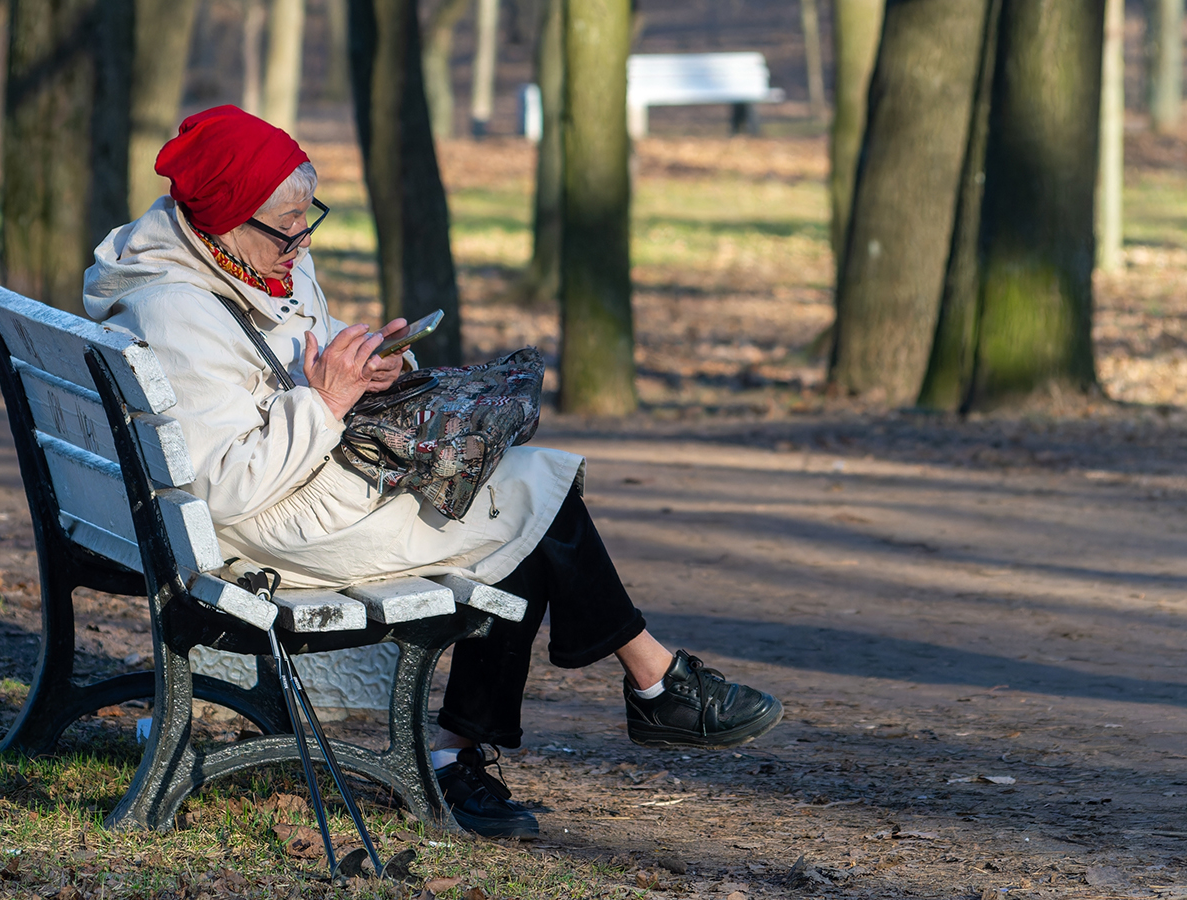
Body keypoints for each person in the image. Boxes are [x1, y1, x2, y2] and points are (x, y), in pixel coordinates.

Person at [83, 106, 782, 839]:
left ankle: (623, 692)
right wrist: (326, 400)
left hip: (293, 487)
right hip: (255, 539)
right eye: (287, 224)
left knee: (514, 485)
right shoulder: (174, 313)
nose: (303, 239)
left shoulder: (248, 258)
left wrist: (370, 375)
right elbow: (226, 490)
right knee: (526, 492)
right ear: (225, 215)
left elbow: (296, 372)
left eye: (308, 216)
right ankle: (622, 694)